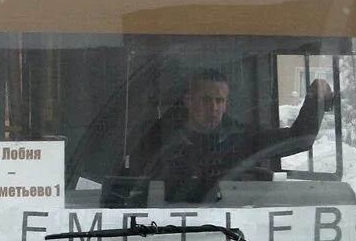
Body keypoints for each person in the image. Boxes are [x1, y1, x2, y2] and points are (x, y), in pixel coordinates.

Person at [134, 68, 334, 203]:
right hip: (166, 233)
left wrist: (315, 100)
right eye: (206, 99)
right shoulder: (159, 137)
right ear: (188, 100)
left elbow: (298, 139)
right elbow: (131, 187)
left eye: (219, 101)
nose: (214, 108)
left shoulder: (241, 137)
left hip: (229, 234)